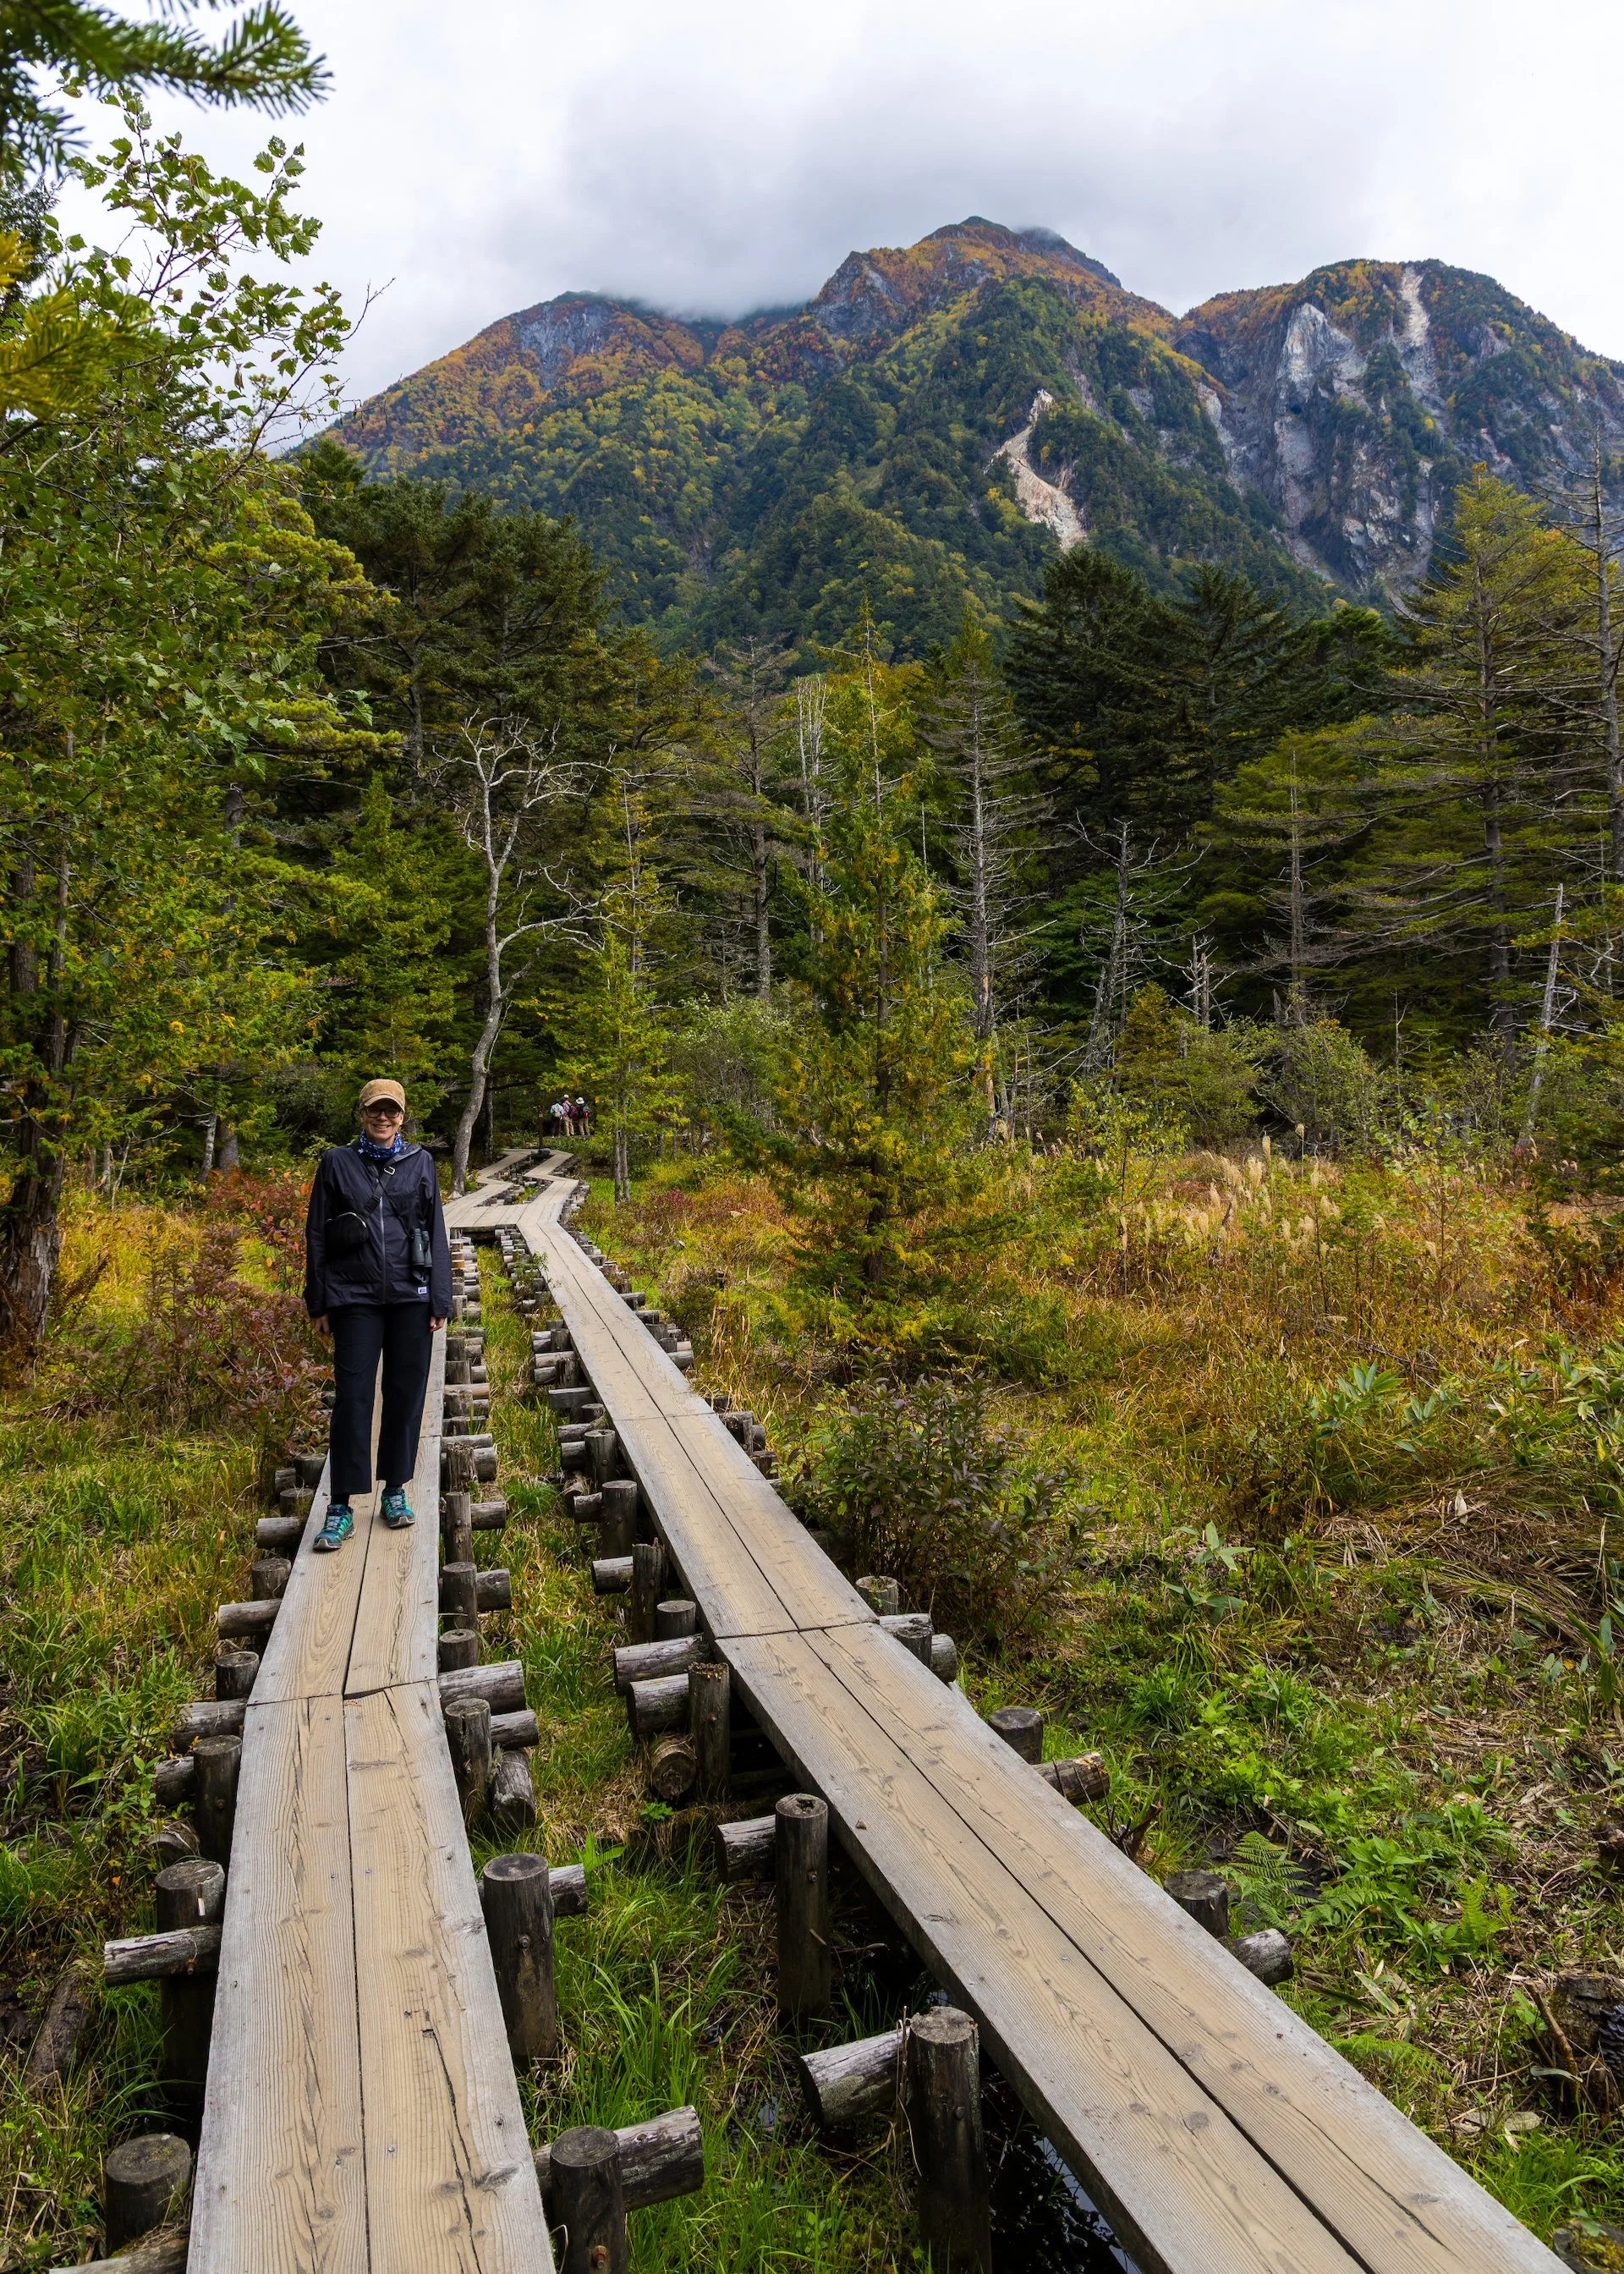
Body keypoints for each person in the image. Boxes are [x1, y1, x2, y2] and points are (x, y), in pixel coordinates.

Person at [303, 1079, 452, 1552]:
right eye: (375, 1110)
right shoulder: (336, 1162)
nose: (383, 1118)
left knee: (405, 1395)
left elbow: (436, 1230)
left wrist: (440, 1300)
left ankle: (395, 1489)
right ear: (362, 1113)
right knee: (353, 1397)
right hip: (354, 1296)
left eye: (391, 1111)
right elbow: (317, 1233)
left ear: (402, 1116)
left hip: (411, 1296)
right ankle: (341, 1505)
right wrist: (318, 1300)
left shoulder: (421, 1162)